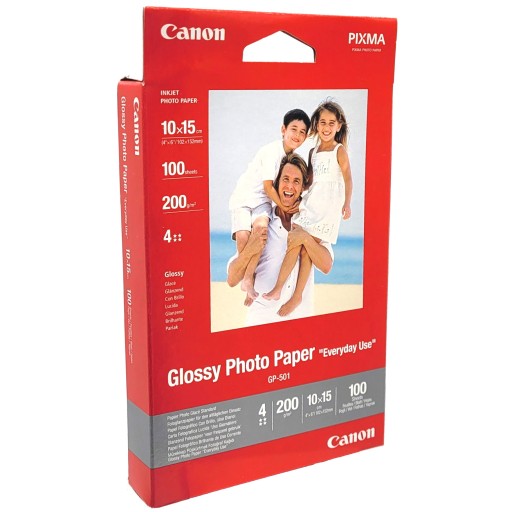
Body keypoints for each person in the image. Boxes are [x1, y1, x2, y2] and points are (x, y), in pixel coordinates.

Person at [263, 100, 353, 316]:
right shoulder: (313, 152)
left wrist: (347, 203)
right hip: (312, 205)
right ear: (316, 124)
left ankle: (293, 294)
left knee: (303, 246)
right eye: (322, 122)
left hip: (327, 211)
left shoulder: (339, 151)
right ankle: (281, 290)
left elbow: (348, 179)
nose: (326, 127)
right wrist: (295, 194)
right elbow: (310, 181)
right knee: (296, 242)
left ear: (339, 126)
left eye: (331, 123)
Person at [227, 152, 334, 326]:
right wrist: (249, 250)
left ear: (303, 187)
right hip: (260, 322)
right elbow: (232, 279)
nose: (290, 186)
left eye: (296, 181)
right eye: (285, 179)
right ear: (276, 183)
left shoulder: (310, 222)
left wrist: (305, 239)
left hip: (300, 323)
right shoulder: (261, 222)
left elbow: (326, 265)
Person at [228, 109, 311, 305]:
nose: (297, 135)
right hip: (244, 198)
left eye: (302, 132)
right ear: (283, 129)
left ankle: (249, 281)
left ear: (306, 136)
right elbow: (267, 186)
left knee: (261, 231)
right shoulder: (272, 151)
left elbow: (299, 184)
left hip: (263, 201)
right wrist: (284, 206)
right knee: (243, 237)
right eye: (293, 129)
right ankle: (249, 279)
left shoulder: (291, 158)